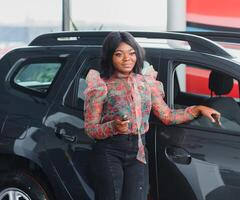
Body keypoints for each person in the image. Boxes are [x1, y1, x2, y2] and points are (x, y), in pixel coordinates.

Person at [84, 31, 221, 200]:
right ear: (110, 56)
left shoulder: (146, 83)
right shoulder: (100, 85)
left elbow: (167, 116)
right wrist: (114, 126)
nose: (127, 59)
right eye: (119, 54)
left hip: (139, 151)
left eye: (132, 53)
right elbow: (91, 129)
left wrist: (198, 109)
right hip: (109, 151)